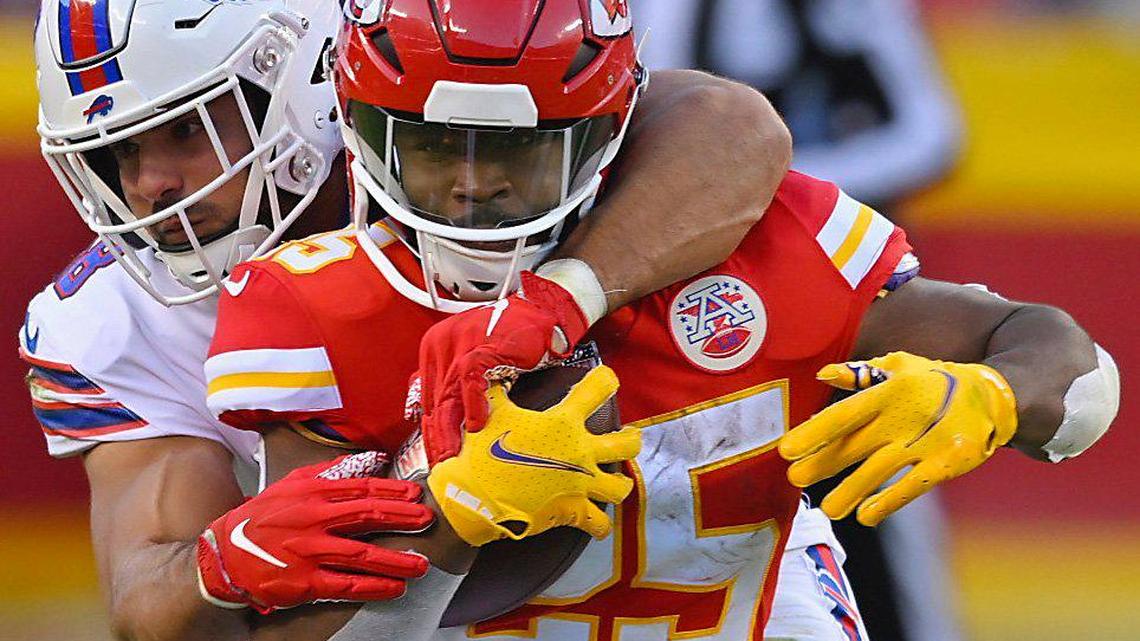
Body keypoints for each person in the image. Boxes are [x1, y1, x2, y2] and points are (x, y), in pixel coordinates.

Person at [204, 1, 1119, 640]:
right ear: (363, 127)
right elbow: (294, 628)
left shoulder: (761, 243)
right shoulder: (308, 300)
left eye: (519, 150)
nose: (474, 181)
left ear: (607, 135)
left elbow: (1069, 371)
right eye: (438, 144)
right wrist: (445, 515)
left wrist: (994, 395)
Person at [21, 0, 793, 639]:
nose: (152, 186)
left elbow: (728, 127)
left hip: (695, 563)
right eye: (118, 154)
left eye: (187, 130)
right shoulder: (109, 318)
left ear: (306, 82)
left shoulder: (442, 134)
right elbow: (147, 600)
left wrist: (558, 299)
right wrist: (219, 563)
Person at [633, 1, 964, 637]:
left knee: (878, 498)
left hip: (822, 296)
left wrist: (784, 196)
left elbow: (933, 132)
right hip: (675, 303)